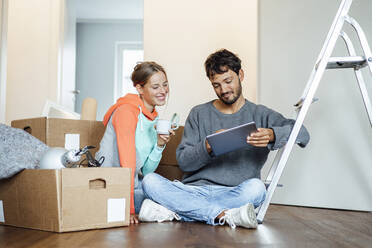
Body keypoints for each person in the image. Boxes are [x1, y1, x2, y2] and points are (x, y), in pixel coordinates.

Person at [138, 49, 310, 229]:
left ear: (240, 74)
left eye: (228, 81)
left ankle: (179, 212)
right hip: (193, 191)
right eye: (216, 85)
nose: (224, 90)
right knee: (150, 181)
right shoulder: (198, 113)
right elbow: (185, 163)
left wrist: (273, 135)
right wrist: (208, 146)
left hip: (236, 192)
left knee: (257, 189)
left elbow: (303, 134)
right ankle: (224, 215)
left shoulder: (261, 114)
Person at [95, 61, 175, 224]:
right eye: (155, 87)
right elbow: (128, 166)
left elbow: (146, 171)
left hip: (134, 185)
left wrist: (159, 144)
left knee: (170, 190)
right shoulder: (126, 112)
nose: (163, 91)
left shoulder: (153, 117)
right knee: (171, 198)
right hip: (111, 186)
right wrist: (128, 209)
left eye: (165, 85)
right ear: (139, 88)